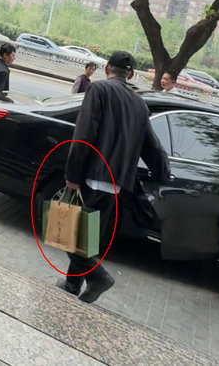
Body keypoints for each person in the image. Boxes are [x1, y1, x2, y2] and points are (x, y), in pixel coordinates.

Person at [57, 50, 170, 303]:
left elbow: (84, 135)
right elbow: (151, 146)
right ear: (131, 74)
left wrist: (72, 175)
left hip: (93, 178)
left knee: (68, 234)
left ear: (107, 69)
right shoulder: (140, 104)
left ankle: (98, 277)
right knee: (86, 238)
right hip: (118, 185)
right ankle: (72, 286)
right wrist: (164, 172)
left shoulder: (98, 90)